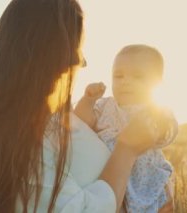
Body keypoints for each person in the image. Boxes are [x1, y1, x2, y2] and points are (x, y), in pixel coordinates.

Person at [0, 0, 174, 212]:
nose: (79, 63)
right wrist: (127, 149)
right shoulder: (25, 141)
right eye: (78, 53)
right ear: (59, 57)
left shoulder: (45, 125)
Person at [74, 44, 178, 213]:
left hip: (145, 174)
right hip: (110, 170)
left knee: (158, 202)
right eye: (118, 76)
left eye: (137, 76)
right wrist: (87, 101)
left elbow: (168, 133)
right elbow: (82, 122)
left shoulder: (155, 110)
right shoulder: (105, 105)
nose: (126, 82)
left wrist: (158, 126)